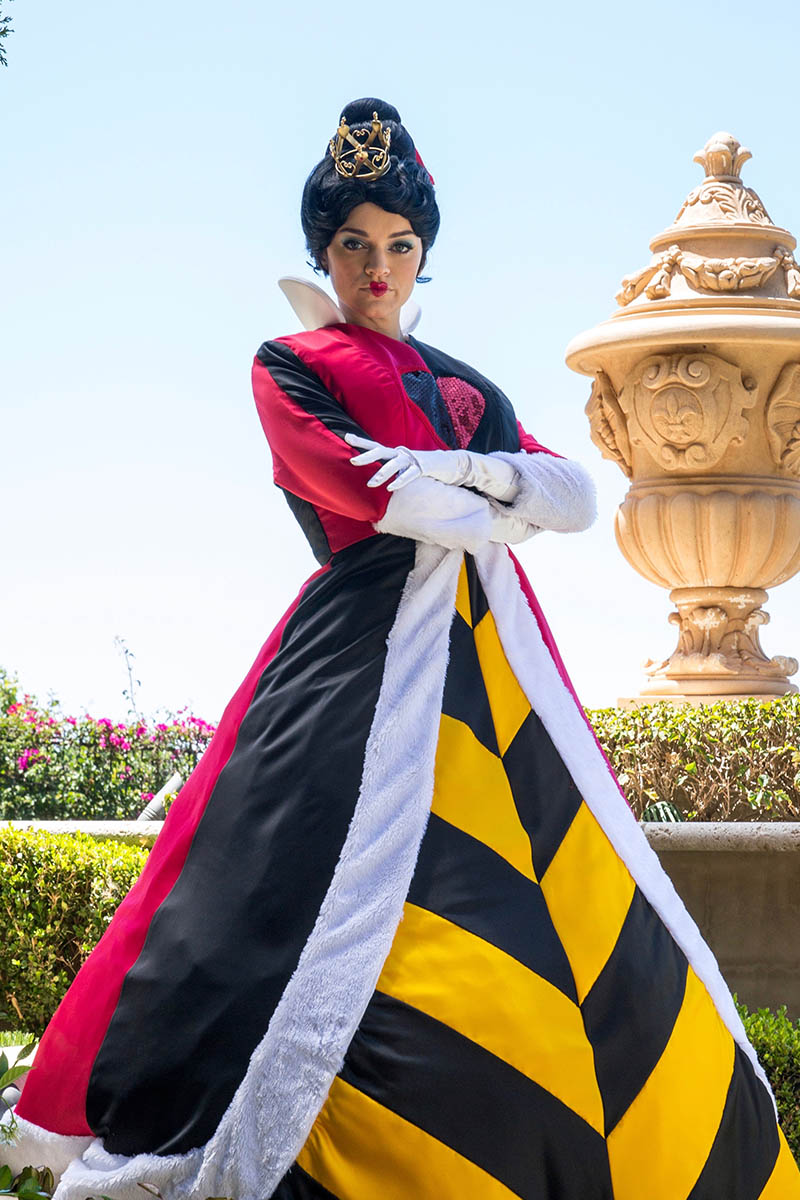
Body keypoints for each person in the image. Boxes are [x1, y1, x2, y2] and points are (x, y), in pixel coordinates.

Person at [5, 98, 799, 1200]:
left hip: (494, 659)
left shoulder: (465, 385)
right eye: (353, 245)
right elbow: (367, 492)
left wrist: (463, 473)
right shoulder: (291, 362)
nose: (377, 269)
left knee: (574, 887)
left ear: (423, 252)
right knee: (257, 895)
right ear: (322, 253)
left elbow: (573, 496)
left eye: (399, 245)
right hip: (351, 657)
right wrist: (487, 497)